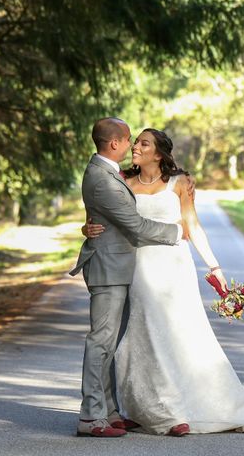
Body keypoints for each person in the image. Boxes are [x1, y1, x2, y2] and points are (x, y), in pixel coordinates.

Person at [82, 128, 244, 435]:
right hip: (139, 267)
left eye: (143, 143)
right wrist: (87, 227)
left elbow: (193, 227)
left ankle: (177, 406)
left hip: (174, 266)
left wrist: (214, 266)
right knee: (143, 335)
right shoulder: (122, 180)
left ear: (158, 154)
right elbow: (107, 212)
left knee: (177, 332)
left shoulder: (180, 183)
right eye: (135, 141)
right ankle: (153, 408)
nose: (136, 146)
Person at [69, 118, 185, 438]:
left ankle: (108, 410)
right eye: (129, 139)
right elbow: (135, 225)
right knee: (101, 342)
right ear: (115, 144)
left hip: (117, 265)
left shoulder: (106, 172)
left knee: (109, 343)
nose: (133, 144)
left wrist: (88, 225)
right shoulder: (102, 178)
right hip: (108, 268)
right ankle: (91, 417)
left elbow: (106, 216)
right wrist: (176, 232)